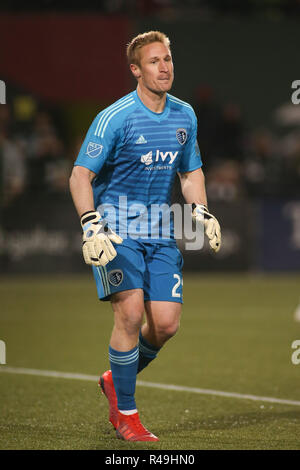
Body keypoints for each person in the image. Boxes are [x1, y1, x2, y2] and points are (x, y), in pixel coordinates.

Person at [69, 31, 221, 442]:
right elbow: (80, 175)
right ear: (136, 70)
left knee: (166, 325)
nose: (165, 66)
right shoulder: (116, 117)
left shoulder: (184, 115)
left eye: (168, 58)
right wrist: (89, 223)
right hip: (116, 232)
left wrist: (201, 210)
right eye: (154, 61)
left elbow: (190, 172)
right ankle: (127, 417)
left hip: (161, 233)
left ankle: (114, 380)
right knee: (131, 314)